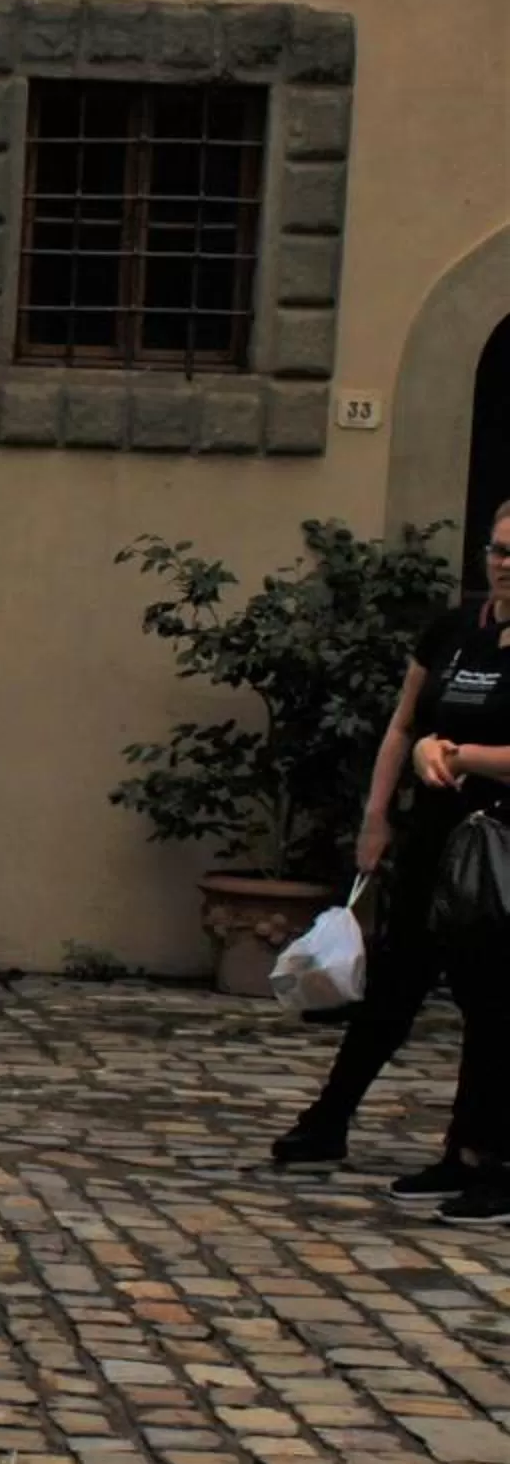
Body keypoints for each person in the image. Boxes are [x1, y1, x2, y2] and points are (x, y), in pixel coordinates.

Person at [274, 498, 510, 1222]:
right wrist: (378, 813)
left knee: (495, 1006)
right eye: (499, 549)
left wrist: (459, 753)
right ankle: (333, 1123)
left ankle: (487, 1160)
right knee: (396, 980)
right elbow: (404, 722)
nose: (506, 564)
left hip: (501, 850)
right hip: (434, 840)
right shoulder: (454, 631)